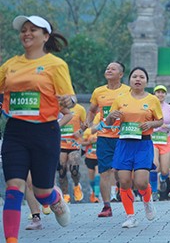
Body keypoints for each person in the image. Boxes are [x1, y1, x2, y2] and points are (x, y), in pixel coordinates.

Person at [1, 15, 75, 243]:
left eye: (33, 29)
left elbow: (70, 97)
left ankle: (55, 200)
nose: (27, 33)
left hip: (45, 132)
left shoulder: (56, 64)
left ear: (45, 36)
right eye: (24, 30)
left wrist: (68, 101)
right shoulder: (10, 65)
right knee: (14, 187)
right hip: (15, 131)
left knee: (42, 191)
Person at [106, 67, 163, 228]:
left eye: (142, 77)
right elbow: (109, 122)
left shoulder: (152, 100)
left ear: (146, 81)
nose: (138, 79)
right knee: (124, 181)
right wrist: (111, 116)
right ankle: (130, 216)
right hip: (124, 143)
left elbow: (160, 120)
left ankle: (147, 199)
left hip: (143, 144)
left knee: (141, 182)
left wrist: (151, 123)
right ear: (129, 80)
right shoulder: (120, 99)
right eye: (135, 77)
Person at [88, 61, 131, 217]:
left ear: (121, 74)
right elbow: (92, 111)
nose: (109, 70)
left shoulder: (128, 90)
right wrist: (89, 123)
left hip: (123, 136)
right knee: (105, 171)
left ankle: (122, 189)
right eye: (107, 68)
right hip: (104, 137)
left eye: (113, 68)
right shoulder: (98, 92)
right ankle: (106, 206)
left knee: (122, 172)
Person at [151, 85, 170, 200]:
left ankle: (162, 178)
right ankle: (154, 191)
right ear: (154, 94)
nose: (160, 94)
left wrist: (169, 126)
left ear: (165, 95)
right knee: (154, 165)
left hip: (166, 139)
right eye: (158, 92)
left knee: (165, 170)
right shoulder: (149, 107)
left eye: (162, 92)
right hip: (153, 140)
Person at [58, 101, 87, 203]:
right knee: (61, 170)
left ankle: (76, 186)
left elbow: (86, 124)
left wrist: (79, 131)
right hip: (60, 143)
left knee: (74, 168)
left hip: (74, 143)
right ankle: (65, 195)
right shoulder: (56, 107)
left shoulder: (80, 109)